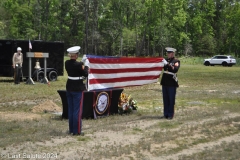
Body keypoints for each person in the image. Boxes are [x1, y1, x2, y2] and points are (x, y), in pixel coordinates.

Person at [65, 46, 89, 136]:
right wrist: (86, 65)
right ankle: (77, 131)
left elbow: (76, 67)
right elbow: (85, 74)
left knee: (71, 110)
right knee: (77, 111)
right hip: (77, 88)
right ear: (76, 55)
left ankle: (71, 129)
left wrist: (82, 63)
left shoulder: (66, 62)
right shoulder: (79, 65)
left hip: (69, 87)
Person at [160, 47, 180, 120]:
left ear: (173, 53)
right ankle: (165, 114)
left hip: (171, 83)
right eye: (167, 53)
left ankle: (170, 114)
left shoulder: (176, 61)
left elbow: (175, 70)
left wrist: (167, 64)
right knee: (165, 99)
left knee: (171, 99)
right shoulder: (165, 60)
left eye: (169, 53)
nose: (168, 54)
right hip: (165, 82)